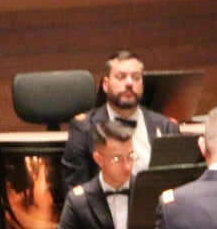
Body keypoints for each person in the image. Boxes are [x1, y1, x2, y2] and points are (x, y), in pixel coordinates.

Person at [62, 49, 180, 188]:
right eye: (121, 77)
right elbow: (75, 190)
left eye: (136, 77)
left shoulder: (167, 127)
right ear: (105, 84)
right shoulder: (84, 128)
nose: (129, 83)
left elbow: (177, 185)